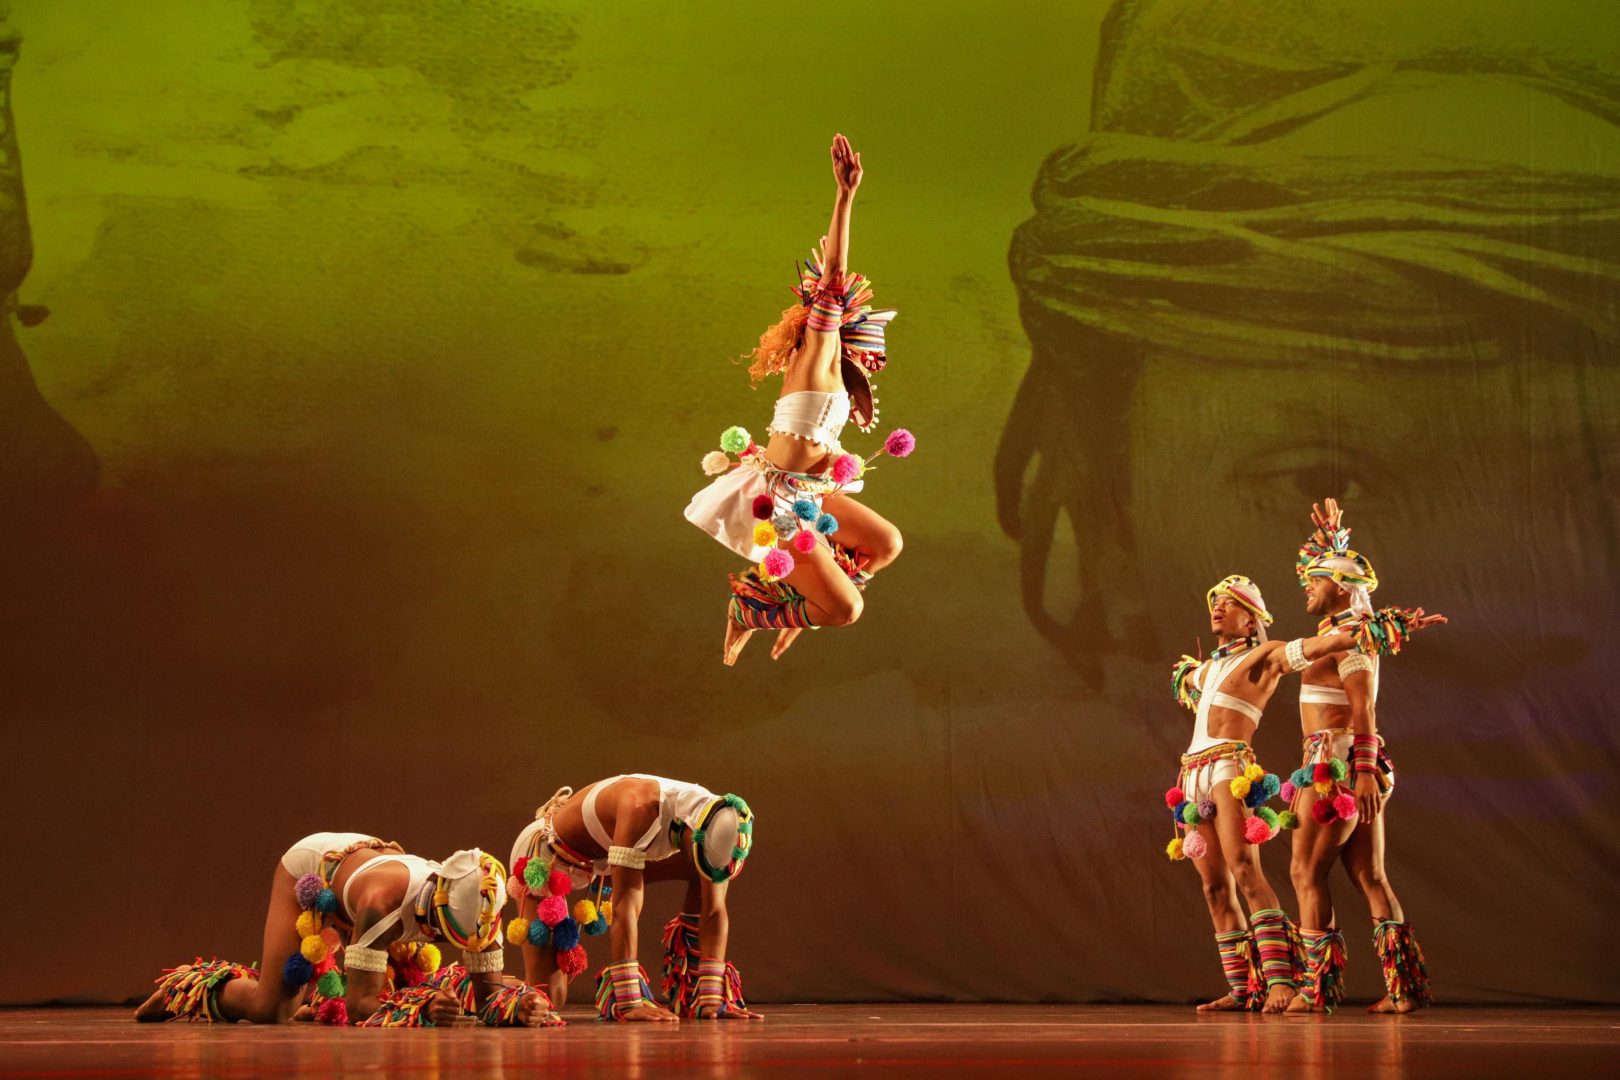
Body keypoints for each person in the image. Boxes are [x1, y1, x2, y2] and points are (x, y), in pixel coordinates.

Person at [684, 133, 913, 665]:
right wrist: (845, 197)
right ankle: (752, 609)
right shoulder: (813, 355)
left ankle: (796, 594)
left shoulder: (833, 375)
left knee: (885, 544)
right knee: (846, 611)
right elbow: (833, 278)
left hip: (807, 496)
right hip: (781, 509)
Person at [1165, 575, 1442, 1012]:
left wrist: (1383, 624)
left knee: (1250, 870)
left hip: (1230, 765)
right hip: (1190, 774)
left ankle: (1284, 983)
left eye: (1229, 602)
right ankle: (1244, 988)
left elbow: (1318, 649)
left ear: (1251, 617)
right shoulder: (1202, 670)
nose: (1217, 607)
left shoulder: (1266, 655)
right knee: (1215, 888)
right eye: (1213, 601)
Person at [1284, 499, 1443, 1013]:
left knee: (1305, 873)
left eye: (1315, 578)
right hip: (1350, 764)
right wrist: (1332, 538)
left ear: (1337, 584)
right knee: (1369, 877)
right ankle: (1405, 990)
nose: (1306, 585)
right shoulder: (1349, 627)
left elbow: (1363, 708)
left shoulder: (1350, 635)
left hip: (1338, 766)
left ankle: (1316, 988)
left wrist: (1365, 772)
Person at [133, 832, 546, 1026]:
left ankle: (315, 1000)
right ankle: (188, 988)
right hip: (315, 867)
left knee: (427, 985)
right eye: (439, 933)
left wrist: (520, 1006)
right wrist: (421, 1007)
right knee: (271, 1009)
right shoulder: (381, 904)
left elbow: (489, 996)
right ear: (431, 907)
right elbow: (360, 1004)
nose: (441, 943)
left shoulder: (483, 908)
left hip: (370, 869)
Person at [507, 776, 761, 1020]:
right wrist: (629, 1002)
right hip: (548, 857)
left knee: (699, 870)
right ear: (692, 832)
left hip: (601, 862)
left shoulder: (719, 816)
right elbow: (624, 907)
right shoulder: (640, 807)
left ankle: (697, 995)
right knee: (547, 995)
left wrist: (714, 998)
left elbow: (715, 910)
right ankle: (487, 987)